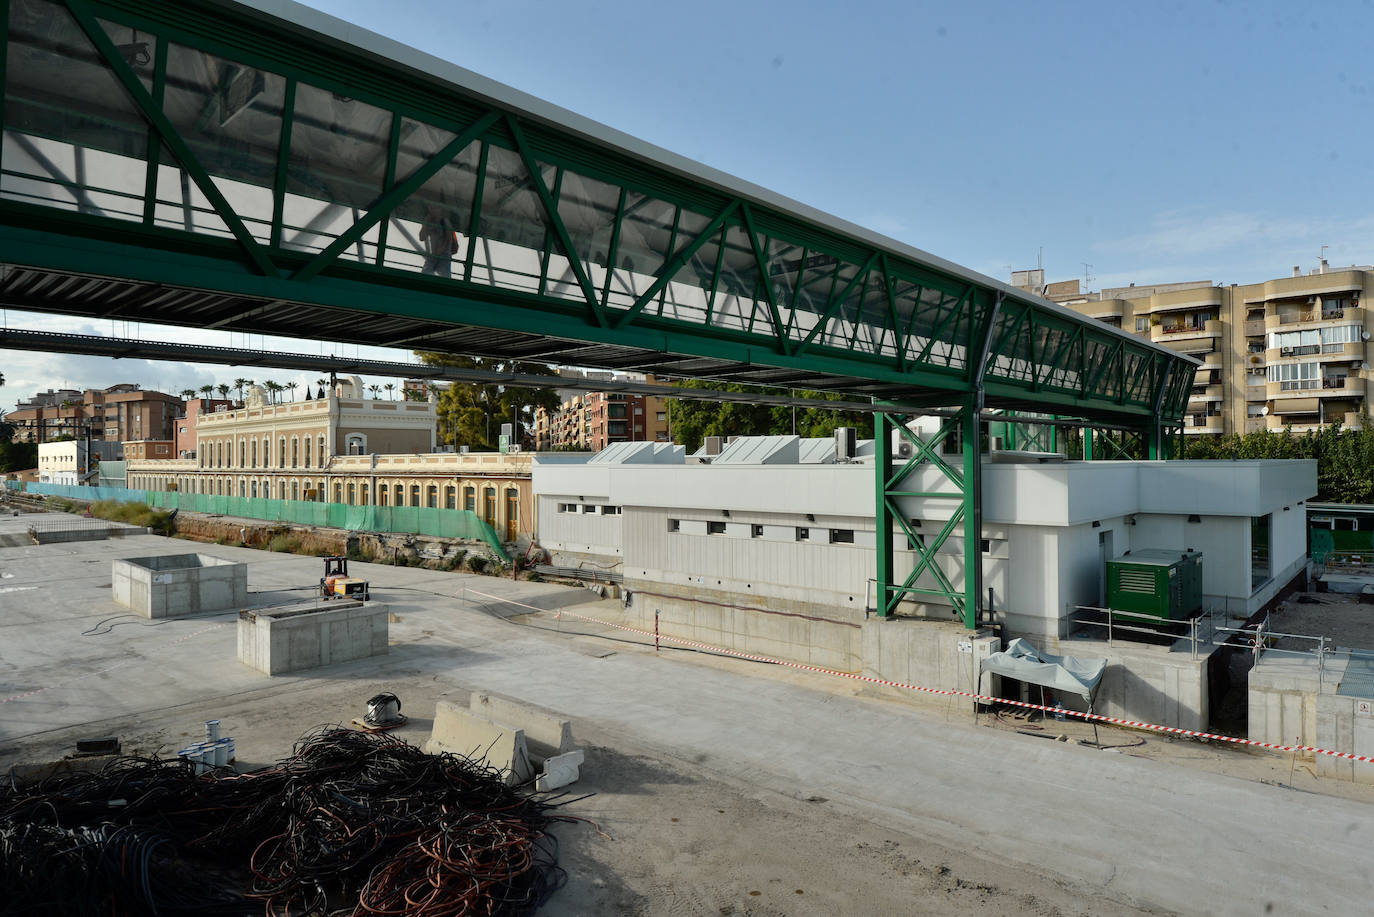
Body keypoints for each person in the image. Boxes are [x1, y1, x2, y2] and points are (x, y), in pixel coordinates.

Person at [419, 204, 459, 277]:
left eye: (435, 208)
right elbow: (422, 237)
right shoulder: (430, 221)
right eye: (431, 208)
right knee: (425, 275)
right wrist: (426, 224)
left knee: (444, 276)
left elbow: (448, 237)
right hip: (433, 255)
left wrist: (441, 249)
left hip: (444, 255)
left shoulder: (445, 221)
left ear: (440, 209)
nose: (432, 210)